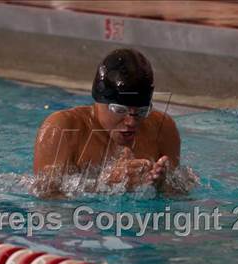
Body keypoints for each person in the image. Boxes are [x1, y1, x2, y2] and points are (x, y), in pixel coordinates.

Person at [32, 49, 184, 198]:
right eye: (120, 110)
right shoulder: (62, 128)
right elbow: (45, 196)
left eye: (141, 112)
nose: (131, 122)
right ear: (100, 101)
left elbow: (182, 194)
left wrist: (162, 187)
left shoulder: (162, 127)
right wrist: (106, 184)